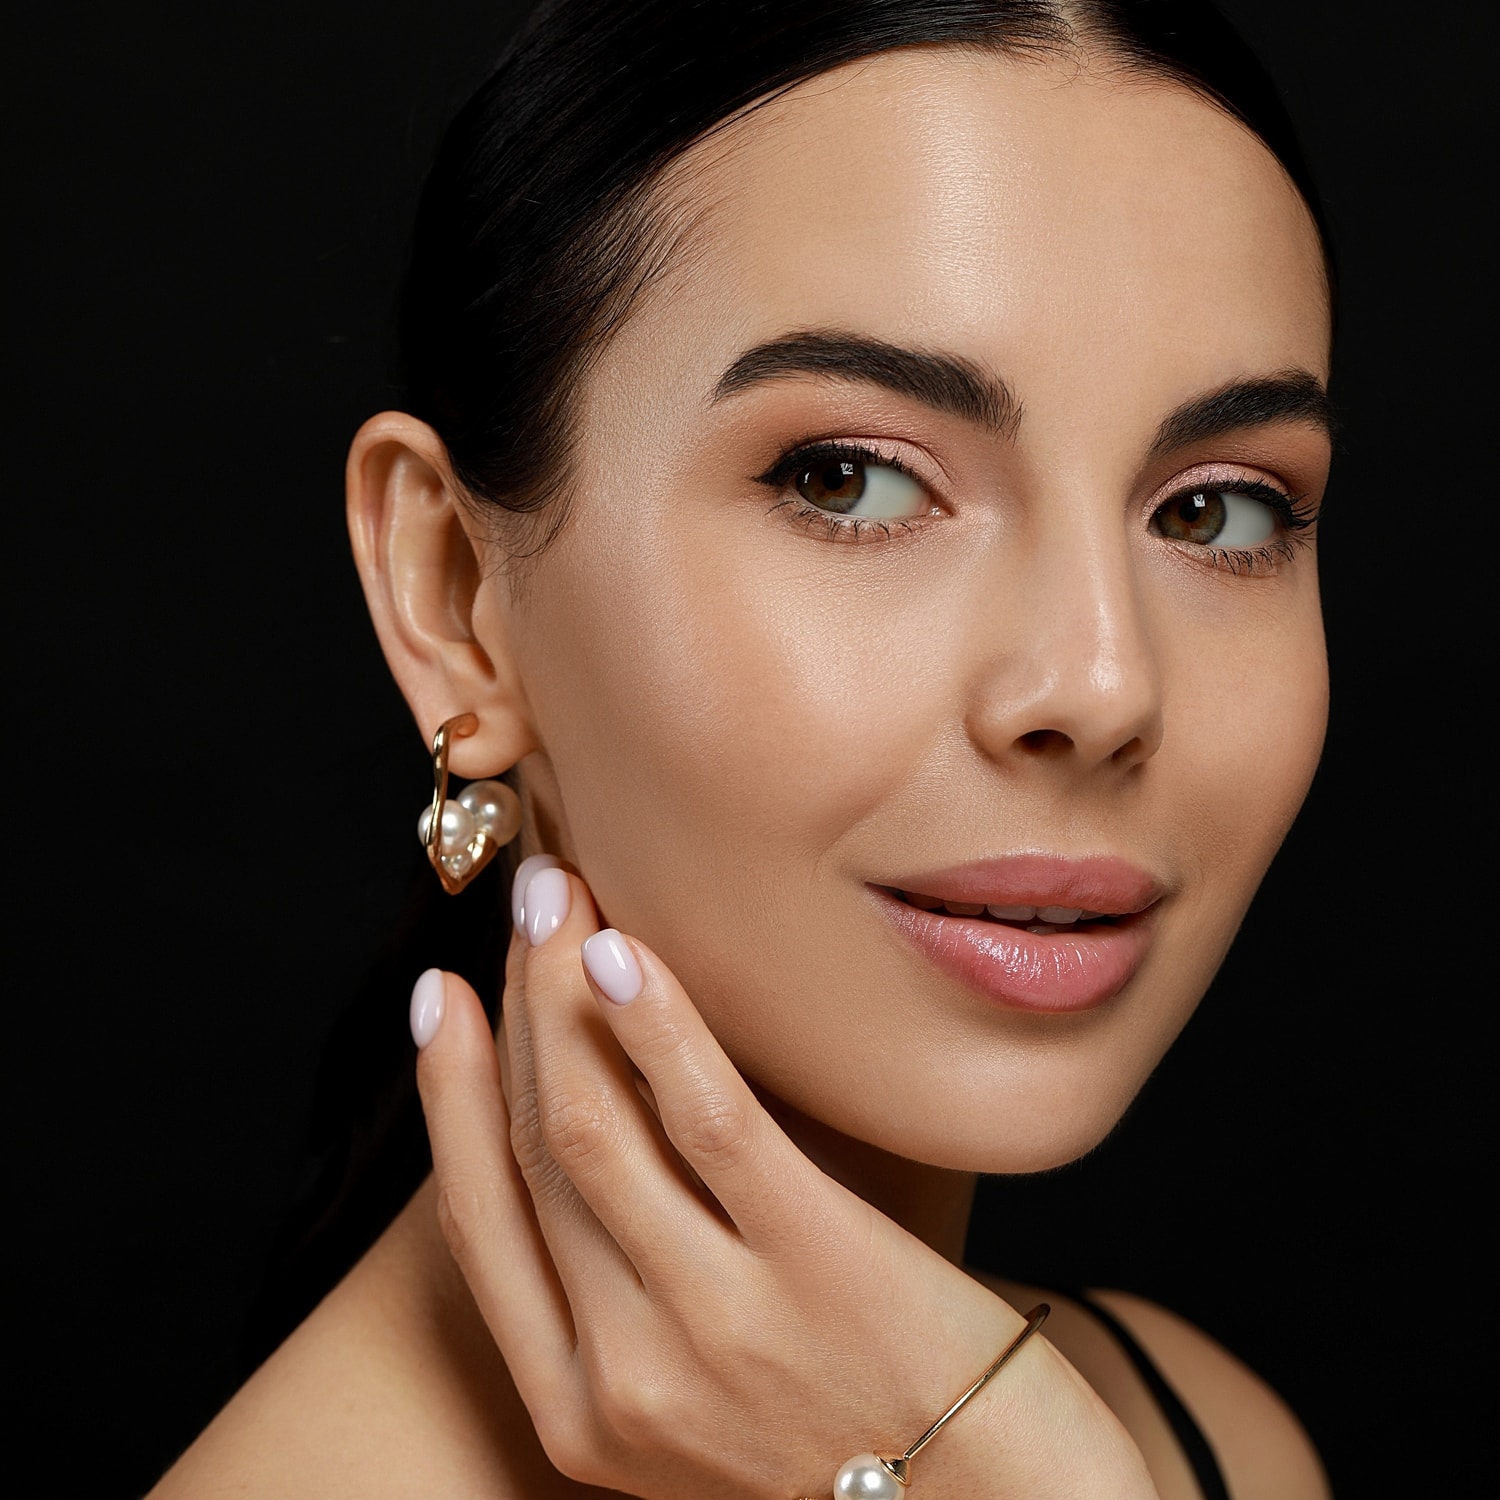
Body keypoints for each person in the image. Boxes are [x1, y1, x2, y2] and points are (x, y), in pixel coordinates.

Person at [149, 1, 1337, 1494]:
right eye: (851, 482)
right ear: (455, 597)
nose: (1101, 685)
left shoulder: (1197, 1437)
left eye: (1215, 510)